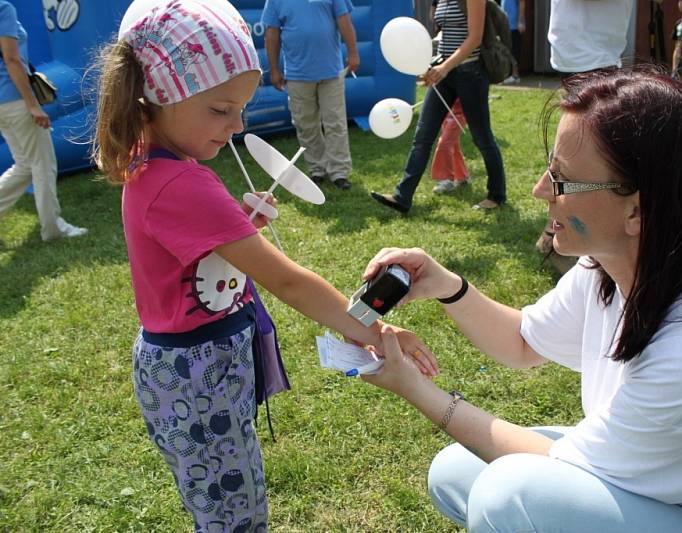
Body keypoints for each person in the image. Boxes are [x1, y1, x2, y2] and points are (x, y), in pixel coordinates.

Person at [360, 67, 682, 532]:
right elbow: (523, 343)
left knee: (508, 494)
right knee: (458, 471)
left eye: (564, 181)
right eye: (550, 169)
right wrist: (445, 284)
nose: (539, 191)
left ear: (638, 210)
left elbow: (551, 466)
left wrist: (416, 388)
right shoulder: (610, 266)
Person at [92, 2, 436, 529]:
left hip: (183, 370)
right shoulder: (185, 183)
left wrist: (232, 224)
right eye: (219, 109)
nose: (235, 126)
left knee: (217, 497)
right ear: (162, 93)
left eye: (242, 110)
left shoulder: (153, 161)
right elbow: (287, 281)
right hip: (199, 374)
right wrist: (375, 326)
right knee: (237, 514)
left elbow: (187, 248)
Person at [371, 0, 506, 213]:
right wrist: (431, 63)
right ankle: (402, 196)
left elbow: (474, 38)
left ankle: (497, 195)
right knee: (422, 136)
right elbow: (445, 35)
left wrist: (444, 67)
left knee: (483, 138)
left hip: (470, 74)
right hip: (444, 73)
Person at [537, 0, 634, 274]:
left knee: (584, 163)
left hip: (594, 58)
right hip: (576, 58)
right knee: (568, 159)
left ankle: (584, 242)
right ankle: (559, 227)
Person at [0, 0, 86, 242]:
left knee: (25, 165)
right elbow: (12, 59)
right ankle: (53, 228)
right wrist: (32, 104)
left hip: (2, 104)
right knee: (43, 165)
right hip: (16, 100)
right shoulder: (3, 8)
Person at [263, 0, 358, 190]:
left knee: (335, 123)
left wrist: (353, 53)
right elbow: (271, 33)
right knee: (305, 124)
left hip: (331, 71)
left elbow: (344, 20)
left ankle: (339, 172)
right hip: (298, 75)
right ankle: (317, 170)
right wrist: (273, 69)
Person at [431, 99, 470, 194]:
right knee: (453, 145)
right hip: (446, 111)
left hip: (460, 113)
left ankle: (446, 179)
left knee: (444, 144)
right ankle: (462, 176)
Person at [500, 0, 525, 85]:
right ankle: (507, 75)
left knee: (514, 50)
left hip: (514, 25)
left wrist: (521, 21)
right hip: (505, 24)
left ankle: (515, 75)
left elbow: (522, 2)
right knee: (506, 50)